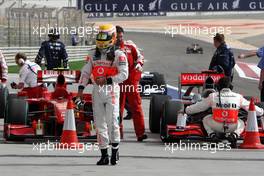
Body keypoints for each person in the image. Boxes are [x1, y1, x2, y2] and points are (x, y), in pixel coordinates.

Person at [76, 24, 128, 165]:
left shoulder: (119, 54)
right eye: (99, 37)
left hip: (111, 90)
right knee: (99, 124)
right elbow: (86, 72)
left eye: (104, 37)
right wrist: (80, 90)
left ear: (112, 37)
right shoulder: (92, 54)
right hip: (97, 92)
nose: (101, 40)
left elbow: (124, 74)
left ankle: (115, 151)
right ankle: (104, 154)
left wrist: (107, 79)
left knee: (113, 122)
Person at [185, 77, 264, 138]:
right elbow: (253, 109)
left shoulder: (212, 96)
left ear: (218, 87)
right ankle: (235, 134)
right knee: (242, 122)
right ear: (231, 87)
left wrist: (187, 110)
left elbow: (199, 107)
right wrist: (261, 111)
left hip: (216, 125)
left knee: (205, 119)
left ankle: (211, 134)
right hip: (232, 127)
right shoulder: (238, 97)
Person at [115, 25, 147, 142]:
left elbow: (140, 57)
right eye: (118, 37)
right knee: (117, 108)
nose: (120, 39)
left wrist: (139, 64)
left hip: (131, 81)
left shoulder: (130, 45)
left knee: (136, 107)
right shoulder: (109, 48)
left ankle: (140, 133)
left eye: (121, 37)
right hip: (117, 81)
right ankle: (117, 132)